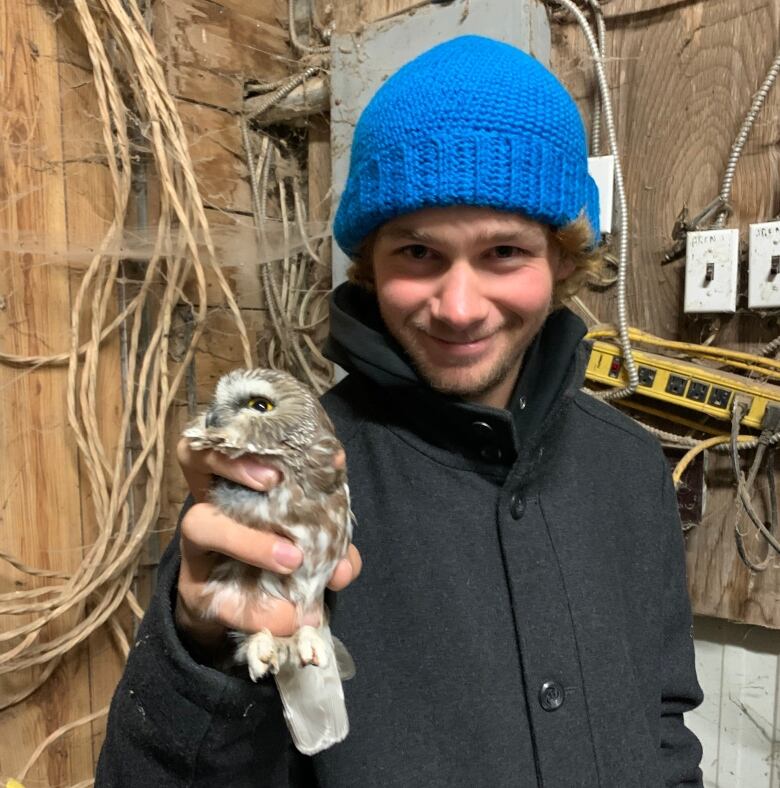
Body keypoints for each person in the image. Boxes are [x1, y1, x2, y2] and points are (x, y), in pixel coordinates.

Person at [96, 35, 704, 787]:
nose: (457, 307)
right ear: (370, 264)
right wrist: (200, 654)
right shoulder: (278, 494)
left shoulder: (632, 468)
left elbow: (665, 727)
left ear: (564, 260)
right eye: (417, 252)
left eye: (504, 252)